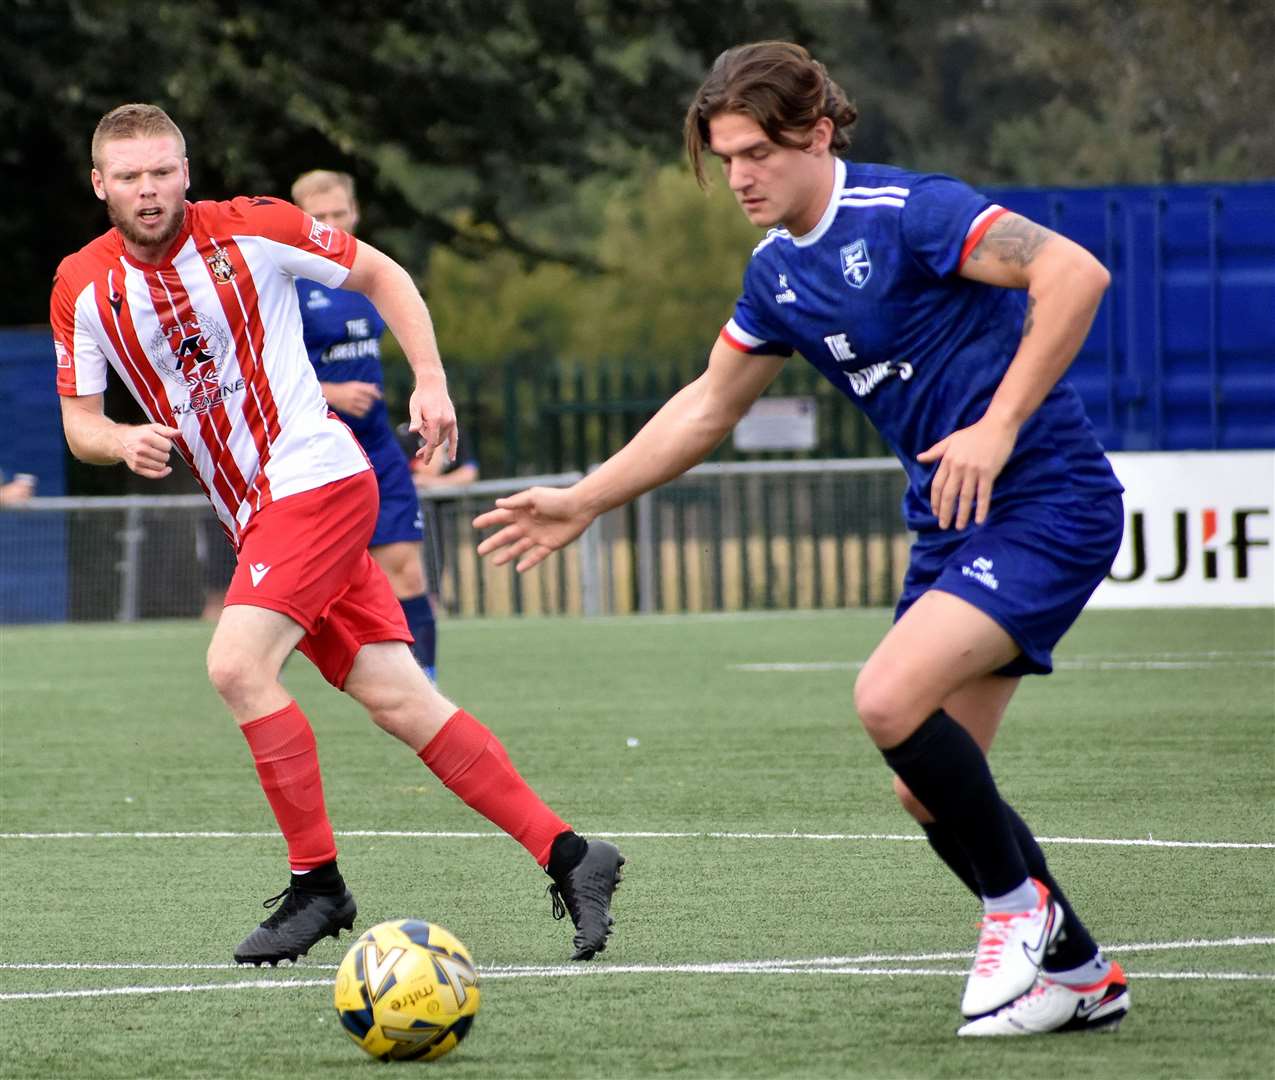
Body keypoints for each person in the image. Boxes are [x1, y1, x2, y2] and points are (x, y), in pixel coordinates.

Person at [475, 42, 1130, 1036]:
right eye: (724, 157)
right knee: (929, 794)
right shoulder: (777, 274)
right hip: (951, 522)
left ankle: (1016, 911)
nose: (738, 177)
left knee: (886, 697)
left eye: (756, 153)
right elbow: (707, 406)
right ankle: (1079, 974)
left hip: (1047, 499)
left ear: (817, 136)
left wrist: (996, 428)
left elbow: (1075, 275)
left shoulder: (910, 214)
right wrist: (586, 499)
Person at [51, 103, 623, 967]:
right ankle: (571, 854)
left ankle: (318, 886)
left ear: (185, 170)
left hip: (314, 476)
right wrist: (120, 440)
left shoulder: (255, 230)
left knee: (236, 665)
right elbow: (78, 423)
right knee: (402, 700)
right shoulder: (80, 287)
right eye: (128, 176)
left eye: (162, 170)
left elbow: (384, 275)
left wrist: (430, 381)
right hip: (259, 516)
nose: (148, 189)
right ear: (100, 186)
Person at [291, 170, 440, 681]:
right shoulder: (285, 284)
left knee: (406, 569)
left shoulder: (368, 275)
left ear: (354, 214)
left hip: (378, 449)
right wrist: (329, 393)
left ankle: (427, 689)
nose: (330, 226)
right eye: (319, 218)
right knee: (302, 585)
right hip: (313, 456)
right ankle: (266, 675)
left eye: (339, 215)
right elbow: (256, 367)